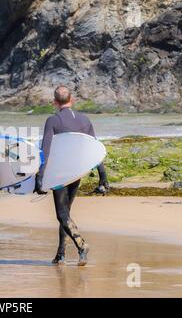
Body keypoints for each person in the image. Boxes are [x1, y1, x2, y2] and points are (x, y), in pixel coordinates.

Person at [34, 86, 109, 266]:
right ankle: (60, 254)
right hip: (76, 173)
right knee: (66, 213)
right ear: (72, 99)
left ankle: (81, 245)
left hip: (59, 174)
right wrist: (103, 177)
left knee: (62, 214)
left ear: (54, 102)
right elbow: (94, 149)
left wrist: (40, 176)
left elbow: (45, 149)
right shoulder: (84, 119)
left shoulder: (53, 120)